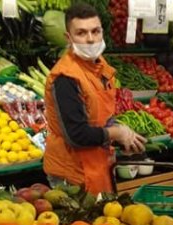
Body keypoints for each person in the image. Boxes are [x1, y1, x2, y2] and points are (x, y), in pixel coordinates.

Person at [43, 3, 145, 194]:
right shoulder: (66, 77)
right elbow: (77, 135)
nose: (90, 39)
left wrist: (121, 141)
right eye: (81, 33)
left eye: (95, 31)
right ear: (68, 37)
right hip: (72, 175)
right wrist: (116, 133)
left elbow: (101, 119)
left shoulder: (101, 68)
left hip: (97, 164)